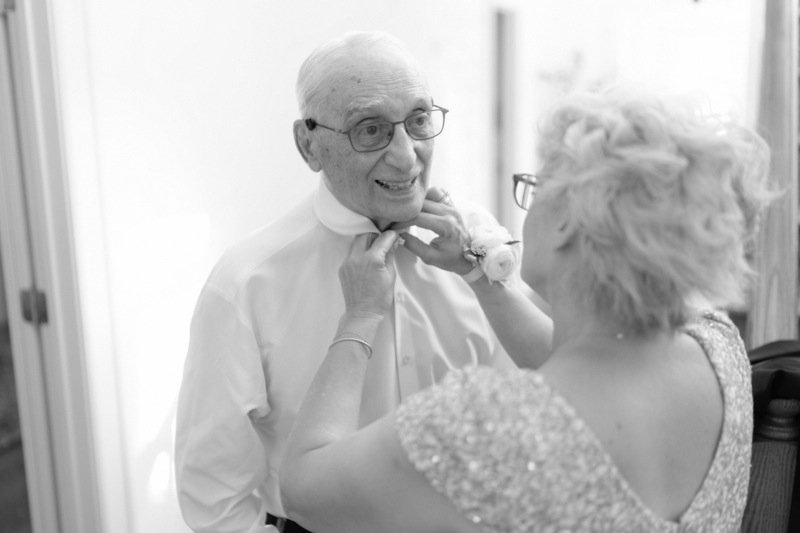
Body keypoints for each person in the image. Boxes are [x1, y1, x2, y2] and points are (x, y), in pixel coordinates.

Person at [279, 90, 775, 532]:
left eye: (537, 188)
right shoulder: (717, 345)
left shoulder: (487, 427)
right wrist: (479, 275)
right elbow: (578, 371)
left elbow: (303, 487)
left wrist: (361, 316)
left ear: (566, 223)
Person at [174, 31, 549, 533]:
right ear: (308, 145)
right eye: (370, 130)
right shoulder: (246, 284)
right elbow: (213, 496)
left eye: (419, 120)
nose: (407, 156)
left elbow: (539, 401)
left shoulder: (476, 242)